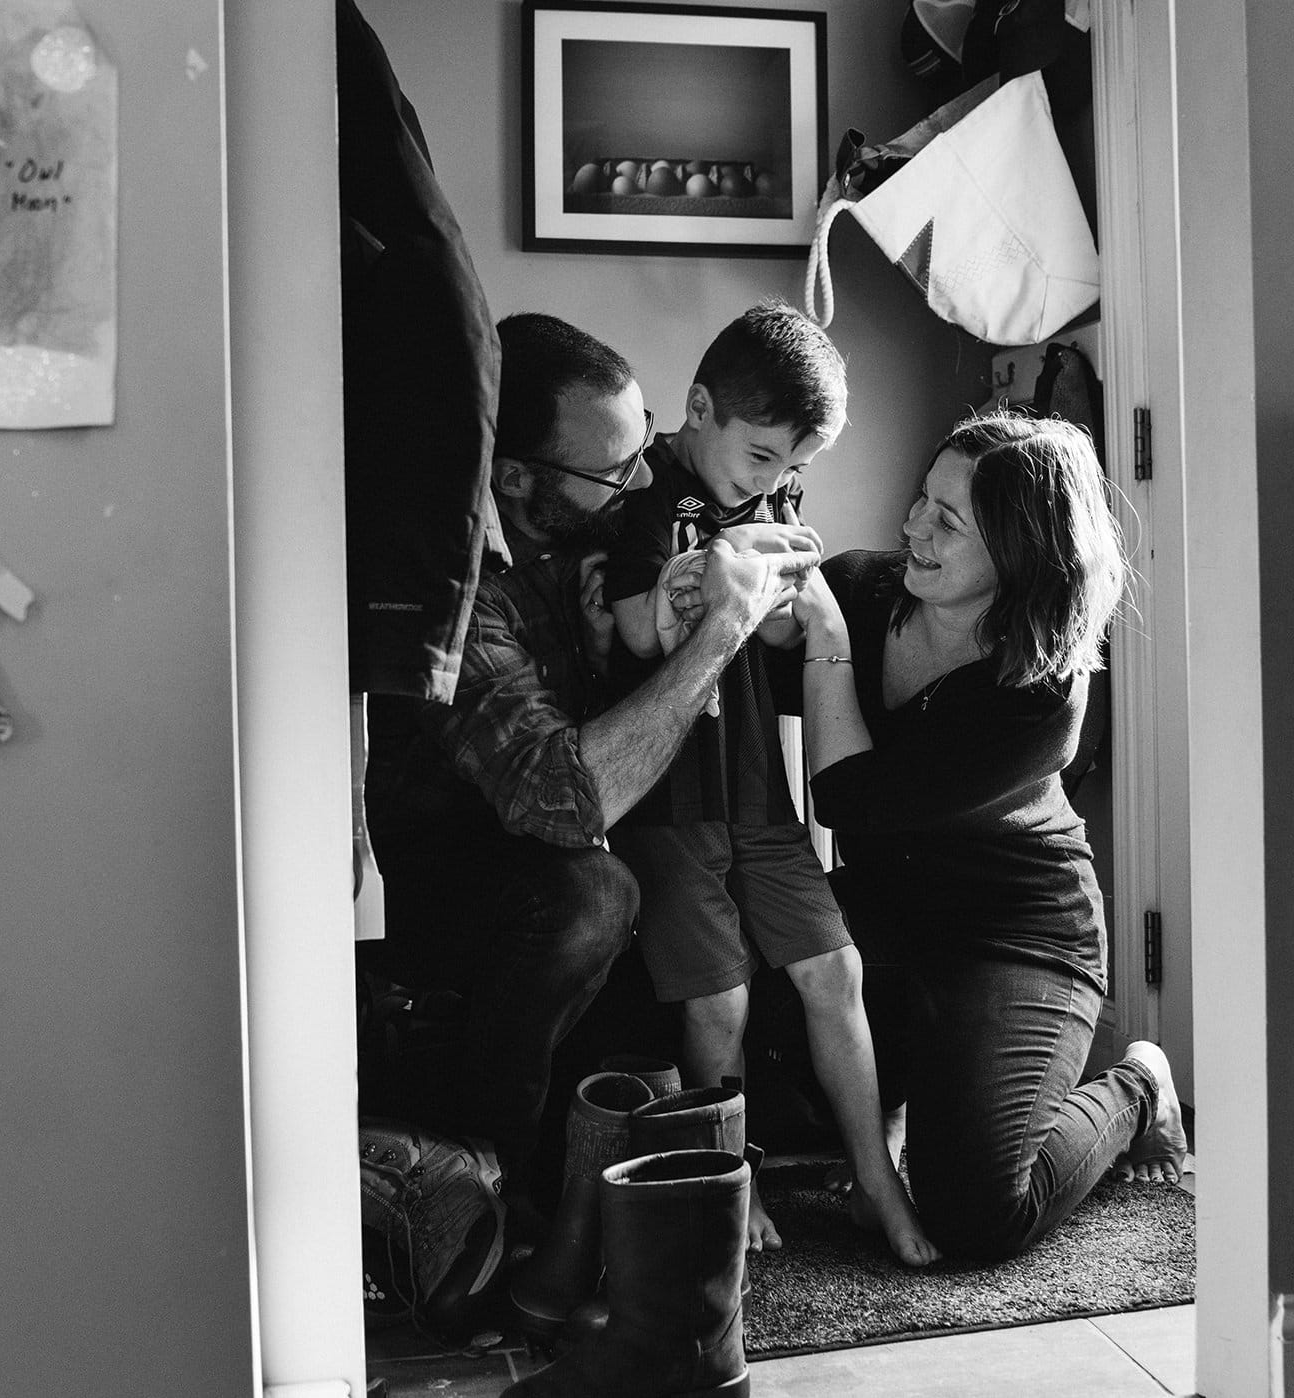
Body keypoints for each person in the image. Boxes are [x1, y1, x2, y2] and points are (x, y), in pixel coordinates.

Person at [362, 311, 819, 1190]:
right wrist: (722, 625)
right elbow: (564, 801)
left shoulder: (599, 524)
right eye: (614, 469)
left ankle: (630, 1210)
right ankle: (487, 1188)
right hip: (462, 870)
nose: (644, 475)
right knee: (595, 893)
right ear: (517, 480)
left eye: (643, 442)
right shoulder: (455, 592)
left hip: (599, 832)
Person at [788, 410, 1187, 1262]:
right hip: (886, 919)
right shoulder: (864, 587)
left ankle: (1139, 1086)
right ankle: (904, 1094)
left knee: (975, 1214)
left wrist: (824, 642)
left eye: (948, 520)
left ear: (1018, 552)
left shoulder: (1041, 695)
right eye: (921, 501)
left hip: (1016, 935)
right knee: (758, 1031)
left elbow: (851, 798)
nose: (912, 528)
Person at [601, 301, 933, 1266]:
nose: (777, 484)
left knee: (836, 969)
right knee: (721, 1001)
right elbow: (631, 629)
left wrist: (798, 602)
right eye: (760, 459)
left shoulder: (772, 500)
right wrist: (713, 577)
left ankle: (877, 1177)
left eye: (794, 470)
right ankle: (727, 1171)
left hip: (756, 786)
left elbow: (794, 632)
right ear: (699, 409)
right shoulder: (647, 488)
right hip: (670, 801)